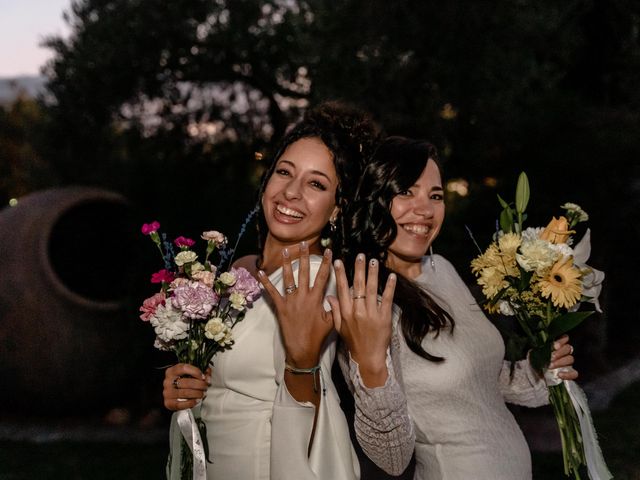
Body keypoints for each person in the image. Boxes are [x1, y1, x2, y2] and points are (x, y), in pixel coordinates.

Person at [160, 101, 390, 480]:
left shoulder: (319, 282)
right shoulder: (240, 269)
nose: (292, 192)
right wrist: (183, 384)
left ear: (337, 208)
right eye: (285, 172)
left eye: (317, 184)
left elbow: (308, 398)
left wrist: (302, 362)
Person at [330, 136, 578, 480]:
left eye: (435, 196)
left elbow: (479, 383)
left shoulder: (441, 268)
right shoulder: (364, 301)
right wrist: (370, 365)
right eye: (406, 191)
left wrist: (540, 370)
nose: (425, 209)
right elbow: (392, 457)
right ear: (375, 198)